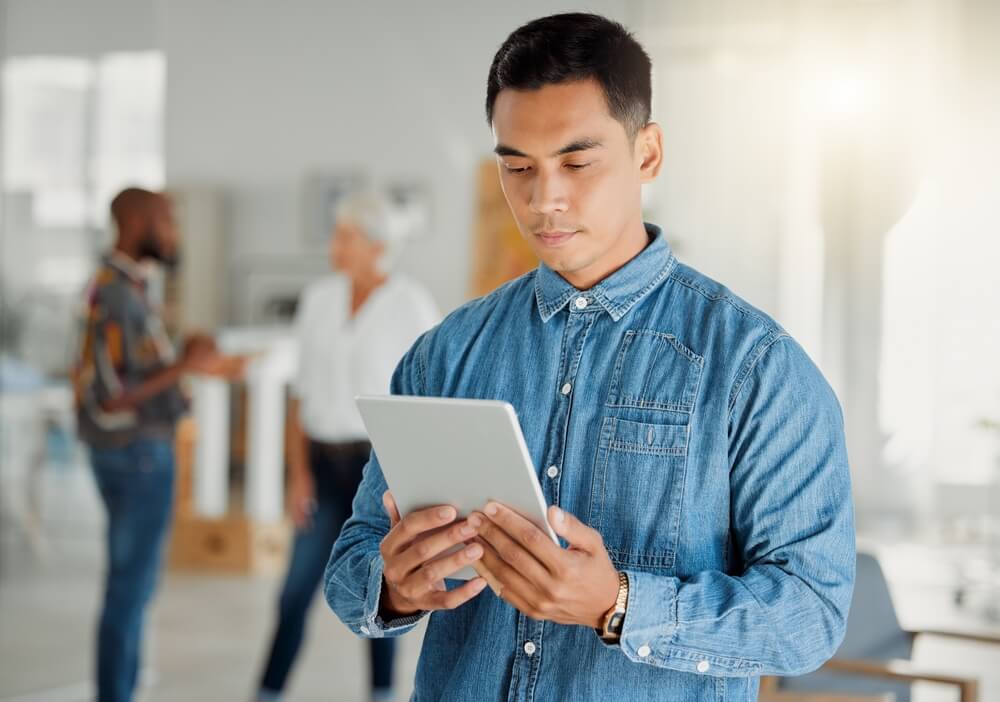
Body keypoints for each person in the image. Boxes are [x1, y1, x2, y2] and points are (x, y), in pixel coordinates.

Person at [324, 13, 856, 702]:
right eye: (517, 167)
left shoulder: (757, 368)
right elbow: (351, 570)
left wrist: (621, 603)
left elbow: (811, 614)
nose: (545, 199)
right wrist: (393, 586)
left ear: (648, 153)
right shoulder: (445, 354)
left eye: (577, 162)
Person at [255, 191, 440, 702]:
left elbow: (428, 400)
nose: (334, 245)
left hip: (376, 467)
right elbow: (302, 394)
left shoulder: (410, 304)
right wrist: (297, 474)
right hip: (320, 462)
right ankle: (267, 691)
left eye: (345, 236)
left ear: (375, 244)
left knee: (381, 590)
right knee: (294, 592)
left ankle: (381, 693)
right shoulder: (318, 299)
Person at [73, 187, 240, 702]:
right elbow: (115, 392)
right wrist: (186, 366)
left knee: (135, 587)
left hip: (135, 451)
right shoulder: (116, 291)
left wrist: (182, 354)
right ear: (139, 222)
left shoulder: (128, 286)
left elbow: (136, 368)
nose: (174, 234)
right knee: (130, 589)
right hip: (136, 454)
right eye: (167, 222)